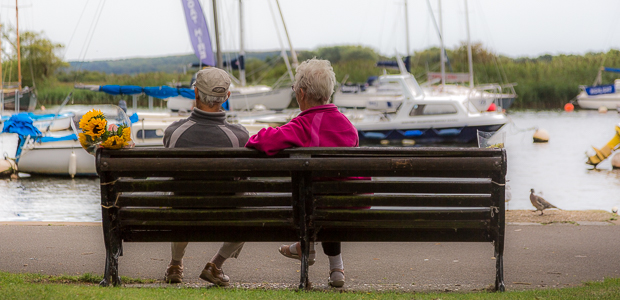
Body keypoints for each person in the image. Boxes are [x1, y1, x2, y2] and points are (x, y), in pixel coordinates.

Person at [245, 58, 359, 287]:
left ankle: (306, 246)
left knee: (313, 196)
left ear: (302, 93)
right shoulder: (348, 126)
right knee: (328, 195)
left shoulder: (303, 125)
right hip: (352, 204)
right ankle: (336, 268)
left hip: (316, 209)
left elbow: (262, 141)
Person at [162, 67, 249, 286]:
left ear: (196, 94)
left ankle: (175, 264)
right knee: (248, 203)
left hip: (182, 214)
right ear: (226, 97)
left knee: (179, 197)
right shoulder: (239, 136)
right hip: (225, 216)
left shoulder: (174, 133)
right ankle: (216, 265)